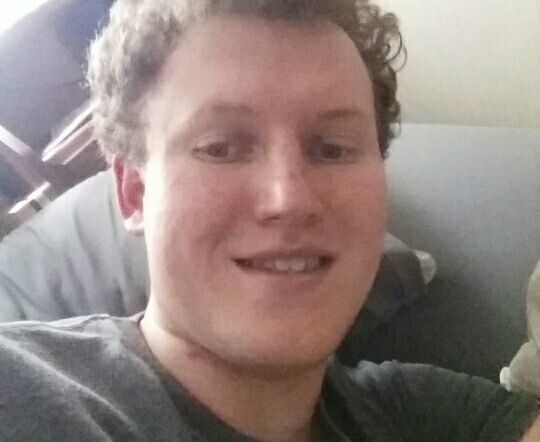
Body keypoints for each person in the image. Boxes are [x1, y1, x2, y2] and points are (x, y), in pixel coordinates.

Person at [0, 0, 539, 440]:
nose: (290, 199)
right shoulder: (27, 393)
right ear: (134, 193)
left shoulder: (424, 413)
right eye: (222, 147)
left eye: (331, 149)